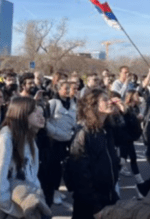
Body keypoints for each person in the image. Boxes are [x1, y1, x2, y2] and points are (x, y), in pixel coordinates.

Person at [0, 97, 51, 219]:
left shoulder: (29, 140)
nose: (41, 116)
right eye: (34, 112)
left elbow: (32, 177)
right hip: (7, 212)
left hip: (25, 208)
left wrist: (36, 199)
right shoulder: (5, 139)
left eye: (41, 113)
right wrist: (16, 211)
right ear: (21, 114)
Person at [66, 89, 120, 219]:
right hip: (89, 204)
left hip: (109, 196)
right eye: (105, 100)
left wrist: (125, 111)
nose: (110, 102)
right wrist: (95, 206)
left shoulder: (107, 129)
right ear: (94, 105)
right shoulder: (84, 133)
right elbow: (81, 176)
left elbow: (132, 134)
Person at [46, 81, 77, 205]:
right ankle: (52, 192)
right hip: (54, 142)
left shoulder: (73, 103)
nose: (69, 90)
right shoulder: (53, 103)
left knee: (63, 168)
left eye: (70, 88)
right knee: (53, 168)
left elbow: (74, 120)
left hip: (67, 141)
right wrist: (56, 133)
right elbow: (45, 121)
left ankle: (57, 190)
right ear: (58, 90)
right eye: (66, 88)